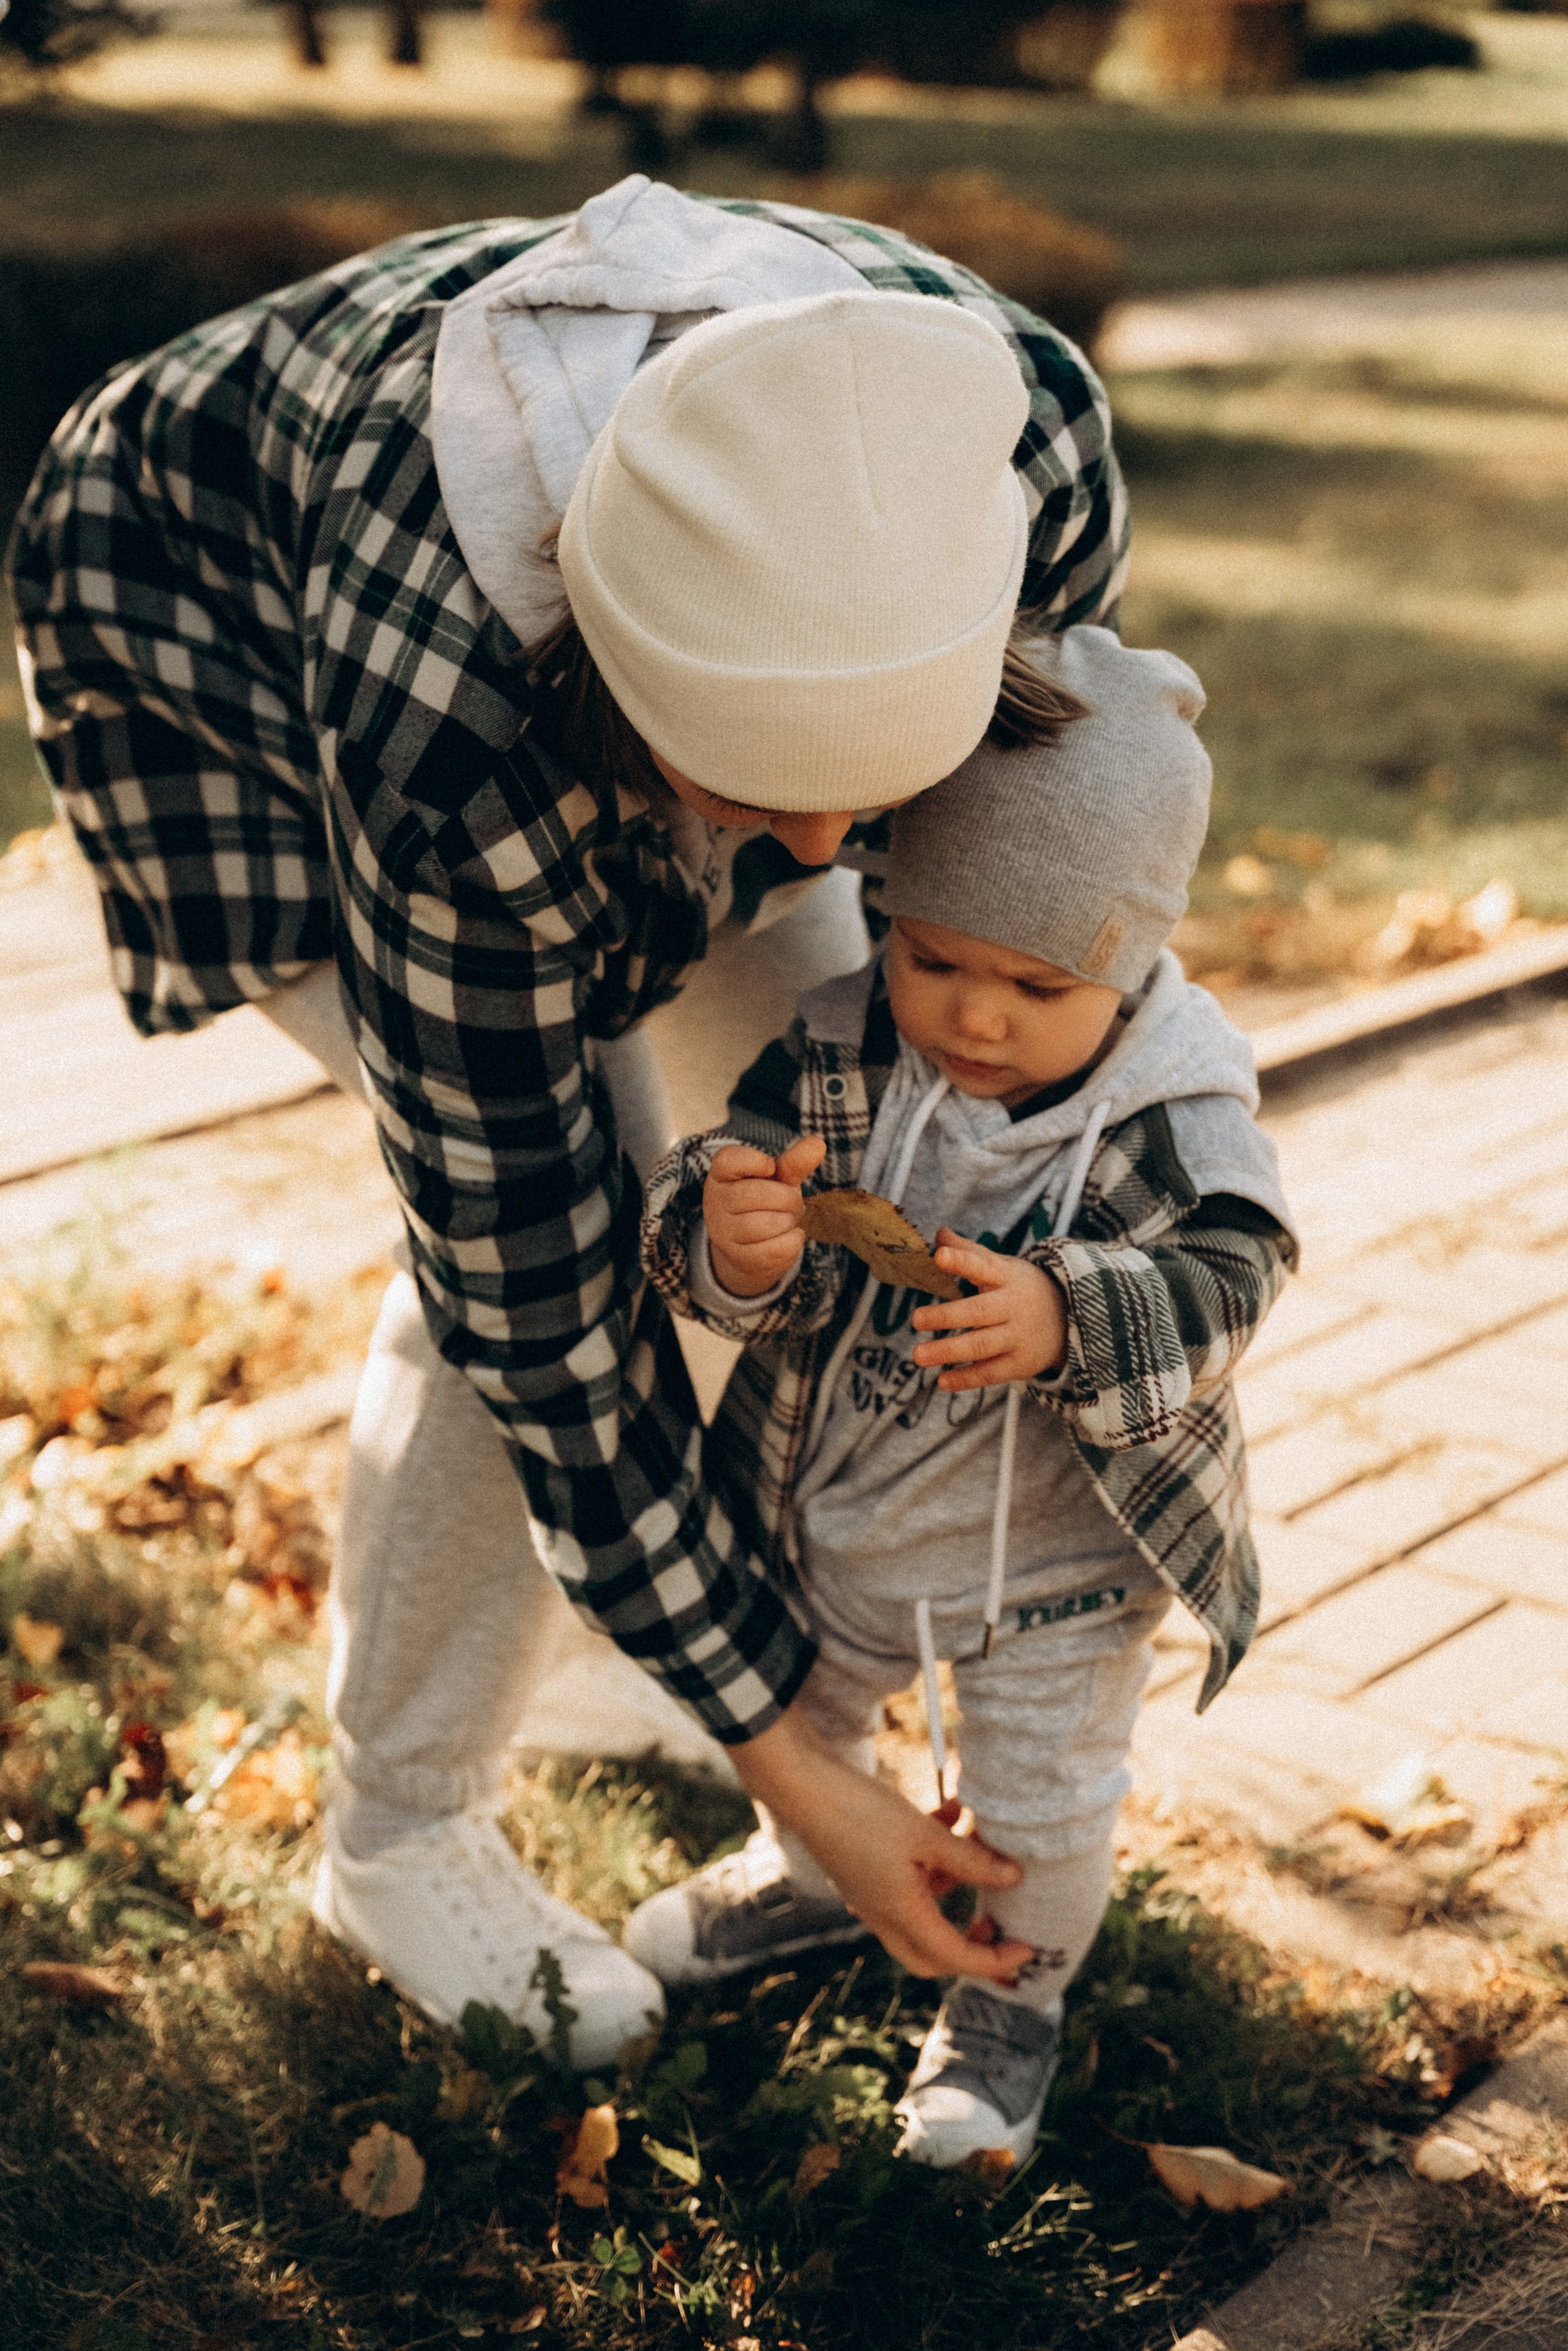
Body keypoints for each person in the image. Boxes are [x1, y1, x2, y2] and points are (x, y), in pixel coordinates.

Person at [7, 175, 1129, 2067]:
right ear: (612, 674)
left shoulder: (1019, 440)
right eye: (755, 786)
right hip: (201, 639)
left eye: (868, 780)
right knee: (603, 1207)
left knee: (789, 1158)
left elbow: (1037, 814)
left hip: (572, 681)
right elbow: (525, 1277)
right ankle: (399, 1819)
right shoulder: (451, 729)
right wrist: (795, 1755)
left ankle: (620, 1644)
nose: (819, 856)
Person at [631, 625, 1298, 2164]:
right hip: (838, 1499)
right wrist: (729, 1238)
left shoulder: (1169, 1110)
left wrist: (1071, 1307)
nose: (975, 1016)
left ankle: (1011, 2006)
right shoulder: (838, 1046)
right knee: (796, 1716)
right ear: (889, 912)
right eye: (933, 957)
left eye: (1034, 982)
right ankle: (803, 1866)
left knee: (1044, 1811)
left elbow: (1232, 1275)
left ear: (1126, 963)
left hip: (1054, 1569)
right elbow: (736, 1218)